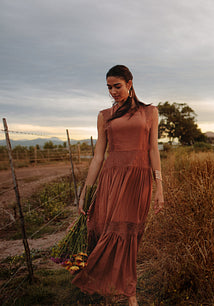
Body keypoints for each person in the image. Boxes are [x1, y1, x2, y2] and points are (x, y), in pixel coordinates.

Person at [72, 65, 164, 305]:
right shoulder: (104, 115)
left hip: (138, 181)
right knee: (108, 231)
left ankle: (125, 291)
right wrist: (85, 192)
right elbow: (98, 157)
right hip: (111, 179)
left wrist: (159, 187)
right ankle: (119, 291)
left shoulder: (150, 112)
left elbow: (153, 150)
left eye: (117, 86)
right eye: (109, 87)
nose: (113, 91)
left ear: (130, 83)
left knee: (129, 237)